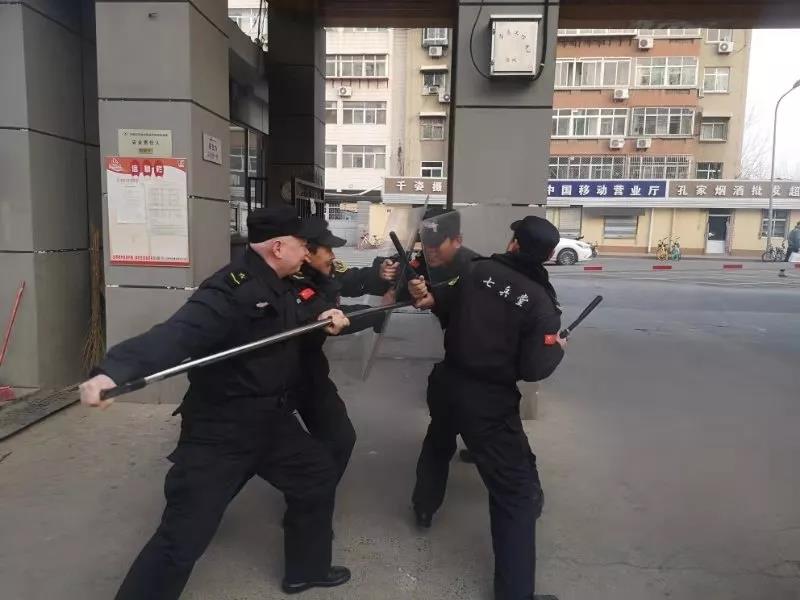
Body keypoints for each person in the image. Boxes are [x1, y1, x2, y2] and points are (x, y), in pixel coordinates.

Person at [79, 206, 353, 599]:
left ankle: (305, 570)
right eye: (302, 245)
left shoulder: (285, 282)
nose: (307, 252)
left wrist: (329, 314)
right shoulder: (230, 289)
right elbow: (178, 334)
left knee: (316, 476)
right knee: (184, 535)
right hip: (222, 430)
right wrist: (113, 372)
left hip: (271, 420)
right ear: (278, 248)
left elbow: (305, 309)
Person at [408, 215, 567, 600]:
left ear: (514, 244)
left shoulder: (477, 270)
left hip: (447, 384)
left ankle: (423, 507)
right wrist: (557, 348)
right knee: (515, 495)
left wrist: (430, 298)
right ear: (548, 256)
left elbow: (447, 305)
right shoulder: (541, 303)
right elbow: (532, 369)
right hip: (488, 403)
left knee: (438, 442)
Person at [292, 221, 398, 483]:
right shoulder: (290, 281)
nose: (333, 255)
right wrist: (378, 312)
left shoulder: (325, 269)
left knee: (340, 438)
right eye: (327, 249)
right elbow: (332, 321)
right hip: (276, 377)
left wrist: (379, 274)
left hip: (310, 372)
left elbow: (350, 280)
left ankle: (315, 492)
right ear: (307, 253)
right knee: (258, 451)